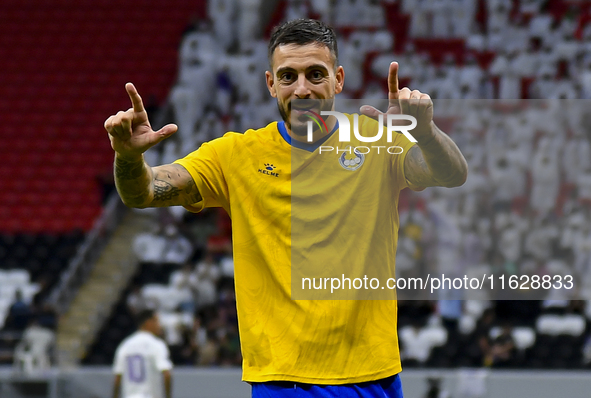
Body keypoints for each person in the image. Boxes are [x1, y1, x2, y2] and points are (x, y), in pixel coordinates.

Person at [105, 19, 467, 398]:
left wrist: (425, 133)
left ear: (339, 79)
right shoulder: (234, 156)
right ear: (270, 83)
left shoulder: (376, 141)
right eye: (288, 76)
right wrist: (128, 159)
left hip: (372, 376)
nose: (302, 89)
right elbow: (143, 192)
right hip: (285, 382)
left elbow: (451, 174)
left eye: (315, 74)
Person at [112, 309, 173, 398]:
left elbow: (117, 378)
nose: (159, 325)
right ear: (148, 322)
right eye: (156, 321)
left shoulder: (125, 345)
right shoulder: (156, 344)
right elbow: (166, 373)